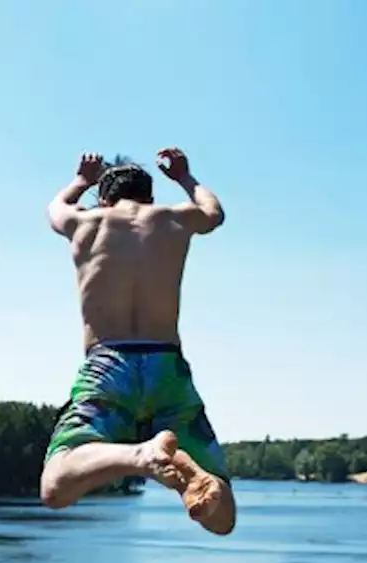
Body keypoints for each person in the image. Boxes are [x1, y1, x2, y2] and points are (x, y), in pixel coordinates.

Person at [40, 148, 237, 535]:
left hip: (108, 364)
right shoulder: (173, 219)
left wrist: (81, 180)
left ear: (104, 198)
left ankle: (141, 455)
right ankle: (188, 477)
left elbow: (55, 207)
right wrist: (185, 177)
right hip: (167, 368)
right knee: (223, 519)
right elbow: (213, 212)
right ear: (149, 198)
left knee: (56, 485)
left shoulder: (84, 223)